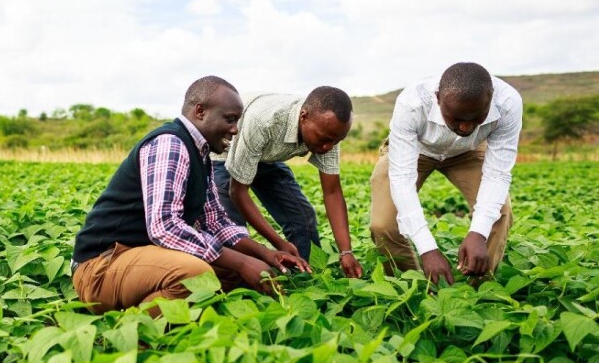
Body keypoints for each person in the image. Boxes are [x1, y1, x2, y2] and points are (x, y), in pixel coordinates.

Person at [71, 76, 309, 316]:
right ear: (200, 111)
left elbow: (215, 222)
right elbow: (165, 227)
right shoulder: (170, 144)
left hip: (140, 260)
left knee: (234, 271)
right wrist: (243, 262)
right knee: (197, 274)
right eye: (229, 119)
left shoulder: (200, 154)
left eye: (237, 121)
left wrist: (265, 254)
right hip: (101, 267)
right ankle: (134, 330)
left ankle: (171, 313)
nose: (235, 129)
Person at [370, 62, 523, 285]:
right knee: (383, 223)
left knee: (500, 212)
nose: (465, 128)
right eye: (456, 118)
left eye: (476, 118)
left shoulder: (507, 103)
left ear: (490, 101)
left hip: (468, 150)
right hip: (416, 149)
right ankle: (410, 286)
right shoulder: (411, 103)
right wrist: (427, 249)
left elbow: (497, 175)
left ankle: (477, 291)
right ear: (437, 98)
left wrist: (478, 233)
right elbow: (402, 179)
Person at [211, 88, 363, 278]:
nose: (328, 147)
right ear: (304, 117)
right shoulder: (264, 121)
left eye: (336, 141)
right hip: (225, 156)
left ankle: (305, 276)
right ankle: (245, 281)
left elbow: (332, 192)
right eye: (324, 139)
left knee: (301, 216)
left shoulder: (329, 132)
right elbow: (237, 193)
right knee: (233, 231)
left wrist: (346, 252)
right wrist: (279, 243)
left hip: (267, 157)